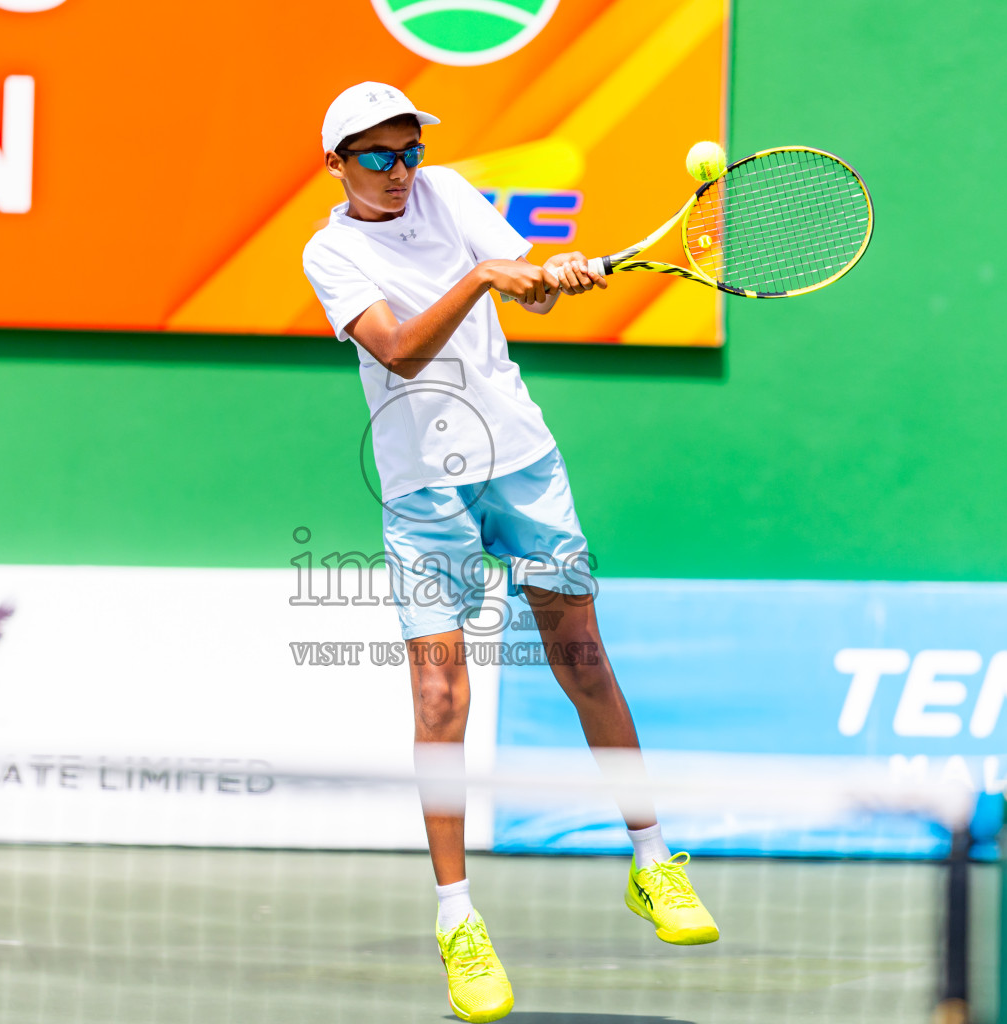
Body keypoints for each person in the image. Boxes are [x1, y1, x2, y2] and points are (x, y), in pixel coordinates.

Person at [301, 82, 718, 1024]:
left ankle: (654, 862)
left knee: (585, 663)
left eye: (407, 151)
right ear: (336, 165)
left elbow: (519, 284)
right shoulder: (329, 251)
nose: (399, 172)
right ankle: (458, 922)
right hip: (422, 491)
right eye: (376, 157)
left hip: (521, 464)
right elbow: (401, 351)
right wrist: (488, 280)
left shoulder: (447, 191)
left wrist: (543, 279)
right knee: (442, 698)